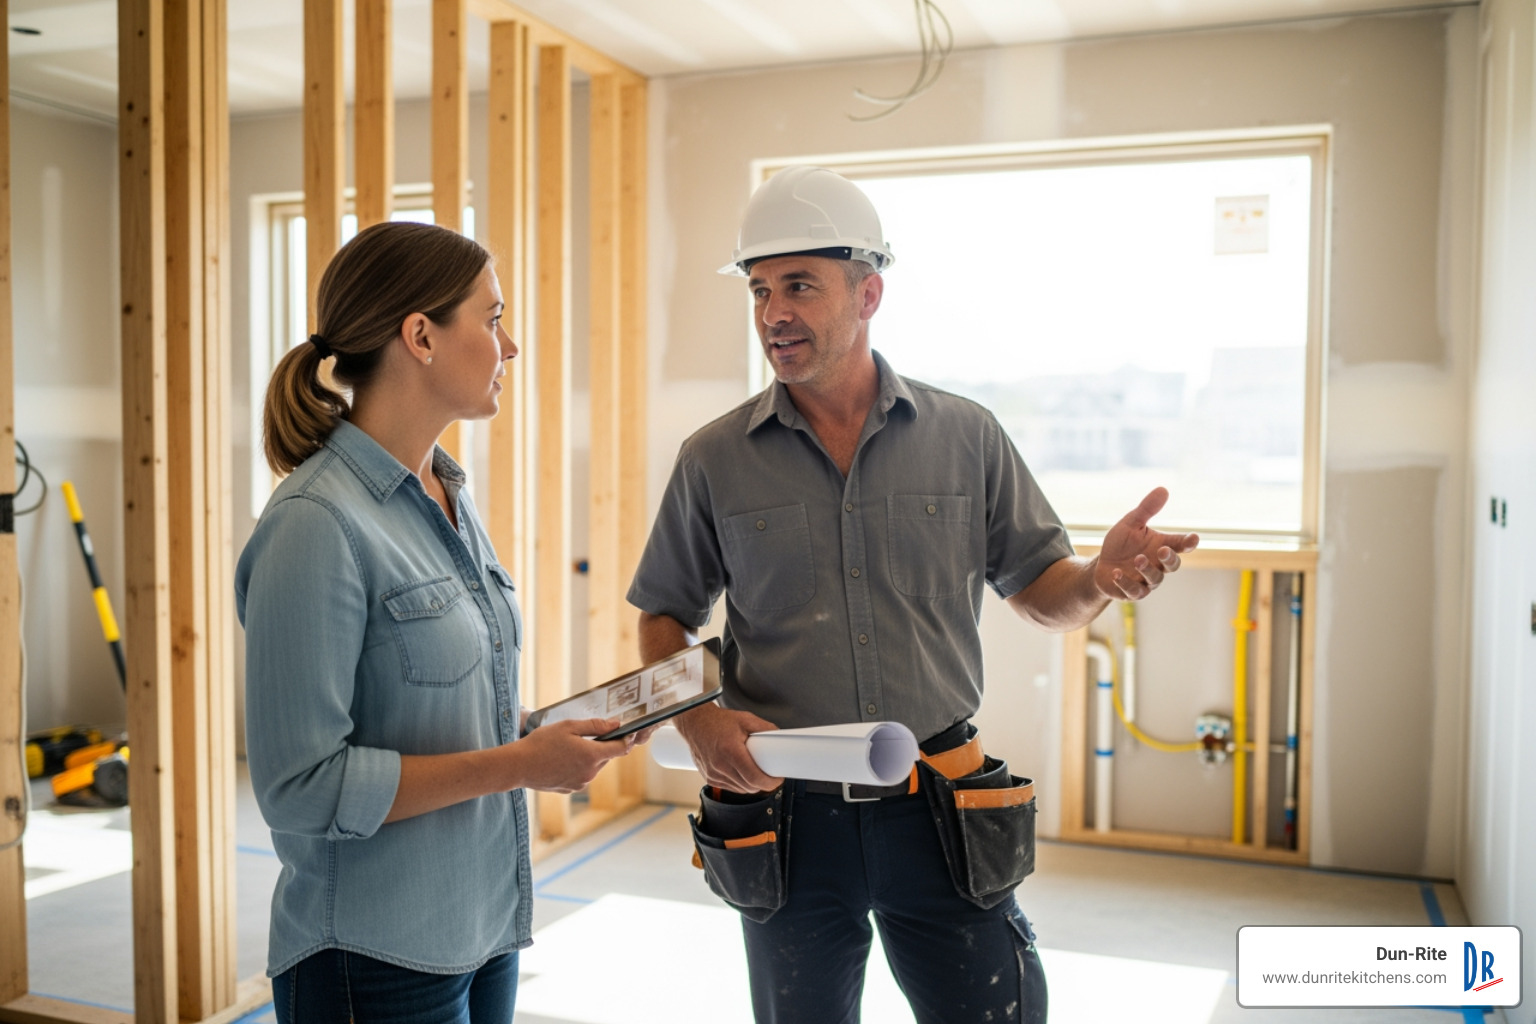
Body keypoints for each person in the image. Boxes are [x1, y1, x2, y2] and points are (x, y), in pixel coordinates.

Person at [627, 166, 1200, 1024]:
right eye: (759, 289)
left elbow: (1042, 593)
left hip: (939, 801)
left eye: (799, 286)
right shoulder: (714, 459)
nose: (774, 312)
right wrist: (697, 719)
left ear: (869, 293)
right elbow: (664, 615)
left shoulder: (966, 436)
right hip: (784, 812)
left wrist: (1100, 582)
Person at [237, 221, 635, 1024]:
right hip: (370, 956)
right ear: (419, 335)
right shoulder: (316, 524)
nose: (509, 346)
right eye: (491, 320)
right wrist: (521, 763)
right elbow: (300, 788)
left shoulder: (448, 494)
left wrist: (538, 736)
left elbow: (433, 716)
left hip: (483, 929)